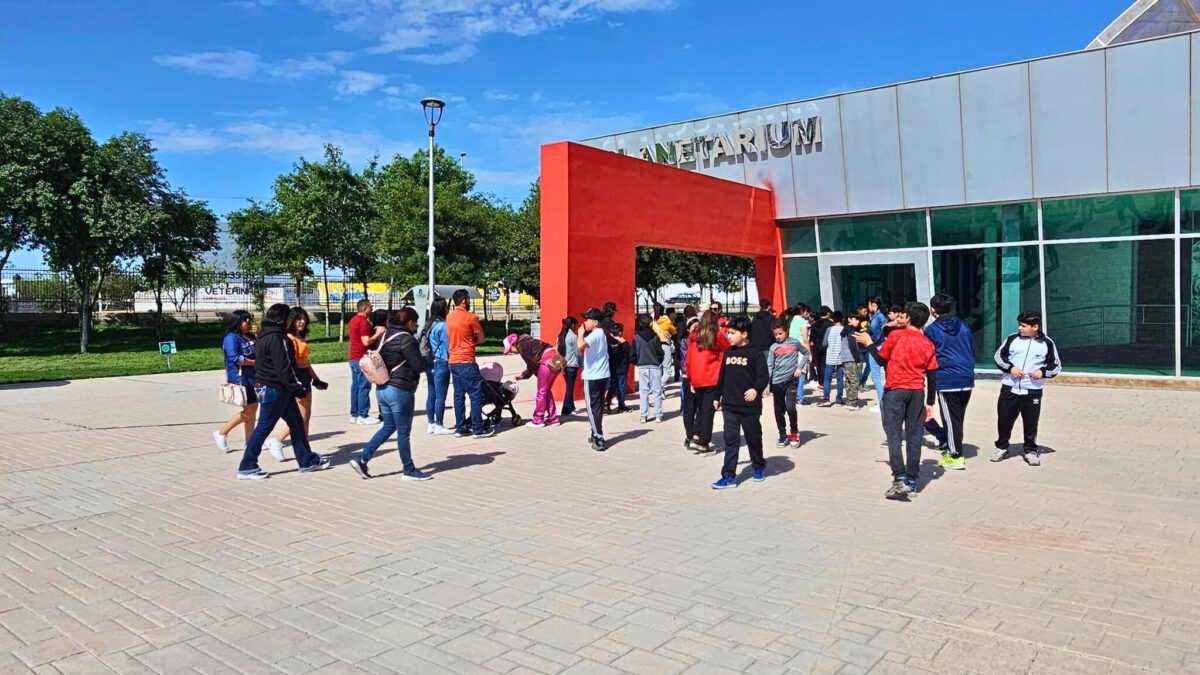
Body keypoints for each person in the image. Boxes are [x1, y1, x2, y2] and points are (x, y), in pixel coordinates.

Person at [854, 302, 939, 499]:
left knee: (894, 435)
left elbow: (882, 360)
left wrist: (869, 343)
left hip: (895, 391)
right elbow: (932, 375)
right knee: (914, 435)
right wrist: (930, 403)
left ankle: (899, 478)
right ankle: (912, 480)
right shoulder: (927, 343)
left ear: (908, 318)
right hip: (917, 392)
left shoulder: (896, 336)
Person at [236, 303, 329, 480]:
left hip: (273, 388)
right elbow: (285, 368)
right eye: (289, 317)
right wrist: (298, 388)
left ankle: (306, 460)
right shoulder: (279, 339)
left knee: (296, 424)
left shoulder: (263, 336)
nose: (290, 321)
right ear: (282, 319)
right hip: (275, 389)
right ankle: (247, 465)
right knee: (264, 426)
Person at [348, 307, 430, 481]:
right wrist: (427, 359)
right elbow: (418, 366)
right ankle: (409, 470)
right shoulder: (406, 339)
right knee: (403, 432)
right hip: (400, 389)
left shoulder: (384, 335)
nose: (415, 326)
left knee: (388, 426)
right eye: (415, 323)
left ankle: (362, 459)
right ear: (409, 322)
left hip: (382, 388)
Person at [992, 311, 1062, 467]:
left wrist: (1042, 372)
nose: (1020, 328)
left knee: (1031, 422)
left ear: (1035, 327)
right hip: (1009, 388)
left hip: (1032, 390)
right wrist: (1010, 368)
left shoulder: (1047, 343)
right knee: (1004, 419)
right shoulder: (1012, 339)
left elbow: (1056, 366)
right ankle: (1001, 447)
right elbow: (998, 356)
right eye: (1019, 325)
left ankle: (1030, 450)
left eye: (1023, 325)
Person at [710, 316, 770, 489]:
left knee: (753, 438)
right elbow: (722, 376)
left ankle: (758, 466)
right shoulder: (728, 353)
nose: (728, 336)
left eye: (732, 333)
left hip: (749, 406)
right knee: (731, 440)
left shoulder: (755, 352)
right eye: (728, 332)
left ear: (744, 334)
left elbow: (763, 376)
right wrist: (716, 396)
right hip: (729, 405)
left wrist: (755, 389)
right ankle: (728, 475)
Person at [215, 311, 284, 459]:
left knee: (252, 409)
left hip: (256, 377)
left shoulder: (250, 336)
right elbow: (235, 358)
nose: (249, 323)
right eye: (246, 321)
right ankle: (222, 432)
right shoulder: (231, 338)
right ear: (238, 322)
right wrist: (254, 362)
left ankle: (249, 441)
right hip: (242, 378)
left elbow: (262, 350)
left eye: (250, 321)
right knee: (250, 410)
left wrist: (259, 335)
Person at [266, 307, 328, 458]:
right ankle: (277, 440)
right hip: (296, 377)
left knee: (306, 416)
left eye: (304, 319)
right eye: (298, 319)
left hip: (305, 376)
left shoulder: (300, 337)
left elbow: (306, 362)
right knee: (300, 417)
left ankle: (306, 450)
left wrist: (316, 378)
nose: (302, 322)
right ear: (291, 320)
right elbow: (291, 363)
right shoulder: (289, 338)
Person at [923, 294, 976, 470]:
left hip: (947, 379)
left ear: (932, 309)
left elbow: (927, 354)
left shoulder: (931, 329)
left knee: (950, 418)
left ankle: (955, 455)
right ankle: (953, 448)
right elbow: (971, 347)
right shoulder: (963, 325)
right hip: (966, 376)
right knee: (958, 417)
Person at [447, 289, 494, 439]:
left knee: (458, 396)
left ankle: (461, 428)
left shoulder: (449, 317)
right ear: (463, 301)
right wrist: (471, 341)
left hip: (453, 361)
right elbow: (481, 338)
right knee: (475, 395)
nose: (469, 302)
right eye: (468, 299)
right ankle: (477, 429)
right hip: (467, 360)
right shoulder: (470, 317)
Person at [684, 309, 730, 452]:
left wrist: (690, 379)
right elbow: (728, 349)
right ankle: (704, 442)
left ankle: (695, 436)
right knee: (708, 410)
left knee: (700, 409)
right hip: (711, 377)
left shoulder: (693, 337)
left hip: (696, 377)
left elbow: (689, 360)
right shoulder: (716, 335)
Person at [767, 318, 808, 448]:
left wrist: (800, 368)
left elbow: (806, 353)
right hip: (777, 382)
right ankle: (783, 434)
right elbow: (769, 366)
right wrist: (767, 384)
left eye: (780, 333)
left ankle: (794, 432)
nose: (778, 336)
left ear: (787, 331)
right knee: (778, 410)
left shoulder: (795, 343)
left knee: (791, 407)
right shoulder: (773, 347)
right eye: (775, 334)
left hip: (791, 381)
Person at [505, 331, 560, 427]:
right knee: (546, 391)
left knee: (541, 392)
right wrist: (524, 375)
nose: (511, 352)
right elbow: (532, 363)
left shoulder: (521, 346)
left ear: (513, 344)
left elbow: (532, 364)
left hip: (546, 361)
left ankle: (538, 420)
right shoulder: (528, 341)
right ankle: (553, 419)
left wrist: (527, 375)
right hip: (556, 360)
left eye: (510, 349)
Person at [578, 308, 611, 451]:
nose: (585, 322)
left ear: (595, 322)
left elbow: (580, 345)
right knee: (598, 407)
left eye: (587, 319)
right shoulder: (601, 333)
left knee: (592, 409)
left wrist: (580, 334)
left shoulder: (594, 335)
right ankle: (594, 431)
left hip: (592, 377)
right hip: (603, 375)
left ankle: (598, 437)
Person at [420, 298, 453, 436]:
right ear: (443, 309)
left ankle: (431, 423)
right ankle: (439, 424)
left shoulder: (428, 325)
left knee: (431, 394)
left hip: (429, 362)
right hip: (441, 361)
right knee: (441, 396)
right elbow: (448, 346)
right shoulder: (442, 326)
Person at [347, 299, 381, 426]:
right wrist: (378, 333)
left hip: (353, 357)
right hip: (362, 358)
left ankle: (354, 414)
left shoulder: (353, 320)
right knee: (364, 386)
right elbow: (366, 341)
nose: (372, 310)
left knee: (355, 386)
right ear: (365, 308)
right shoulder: (363, 322)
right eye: (370, 307)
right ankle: (363, 414)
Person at [633, 314, 665, 423]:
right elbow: (661, 352)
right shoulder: (656, 337)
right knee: (657, 391)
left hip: (642, 366)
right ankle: (658, 415)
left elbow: (632, 354)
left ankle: (643, 415)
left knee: (643, 392)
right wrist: (658, 361)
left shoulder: (636, 338)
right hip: (655, 366)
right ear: (650, 323)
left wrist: (637, 362)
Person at [819, 311, 849, 406]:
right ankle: (839, 399)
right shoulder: (844, 329)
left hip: (830, 358)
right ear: (842, 319)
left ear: (833, 319)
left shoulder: (829, 329)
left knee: (827, 379)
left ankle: (826, 398)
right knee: (840, 379)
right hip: (841, 358)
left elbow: (824, 343)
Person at [865, 297, 888, 413]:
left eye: (869, 305)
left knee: (876, 376)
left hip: (876, 346)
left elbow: (877, 334)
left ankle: (882, 402)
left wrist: (869, 341)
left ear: (873, 305)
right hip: (881, 345)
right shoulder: (880, 316)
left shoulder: (878, 317)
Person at [606, 322, 632, 413]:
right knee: (621, 387)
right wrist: (623, 341)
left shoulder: (608, 344)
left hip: (612, 368)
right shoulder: (624, 344)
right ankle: (621, 406)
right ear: (620, 333)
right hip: (622, 369)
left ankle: (607, 403)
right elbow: (630, 353)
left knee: (612, 386)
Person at [557, 317, 580, 416]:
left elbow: (557, 350)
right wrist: (581, 363)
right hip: (572, 365)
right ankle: (565, 408)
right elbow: (577, 352)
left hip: (563, 365)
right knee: (570, 388)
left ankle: (571, 406)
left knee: (569, 386)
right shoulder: (573, 336)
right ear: (572, 325)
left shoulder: (560, 336)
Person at [651, 303, 676, 388]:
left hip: (654, 347)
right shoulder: (667, 321)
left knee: (657, 369)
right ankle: (658, 386)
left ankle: (657, 388)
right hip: (665, 346)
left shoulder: (652, 322)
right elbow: (674, 331)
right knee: (667, 371)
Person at [679, 315, 698, 419]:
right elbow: (686, 358)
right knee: (688, 401)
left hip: (700, 374)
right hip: (688, 374)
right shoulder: (685, 341)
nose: (696, 329)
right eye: (694, 327)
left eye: (698, 327)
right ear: (688, 329)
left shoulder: (702, 341)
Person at [809, 306, 833, 385]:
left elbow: (812, 338)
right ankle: (826, 381)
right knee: (826, 364)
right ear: (828, 313)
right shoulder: (830, 324)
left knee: (819, 365)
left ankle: (821, 382)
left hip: (817, 347)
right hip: (827, 346)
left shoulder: (815, 324)